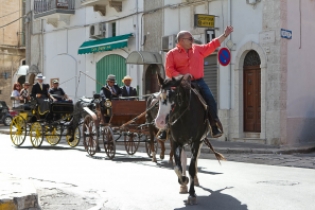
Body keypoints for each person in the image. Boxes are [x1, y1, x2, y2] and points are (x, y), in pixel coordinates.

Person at [164, 26, 234, 139]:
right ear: (181, 40)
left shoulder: (197, 49)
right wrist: (182, 76)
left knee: (210, 100)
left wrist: (225, 35)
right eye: (190, 38)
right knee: (167, 100)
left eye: (192, 38)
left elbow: (212, 45)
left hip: (198, 81)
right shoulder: (171, 54)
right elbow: (169, 70)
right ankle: (165, 128)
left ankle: (213, 125)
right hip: (180, 83)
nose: (192, 40)